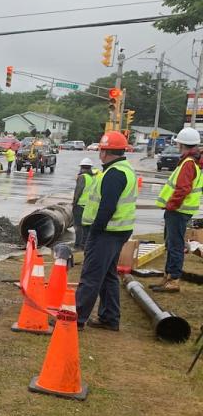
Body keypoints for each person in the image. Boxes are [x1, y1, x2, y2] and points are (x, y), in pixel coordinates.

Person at [75, 131, 138, 331]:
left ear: (104, 152)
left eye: (101, 150)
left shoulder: (114, 173)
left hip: (107, 232)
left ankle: (76, 318)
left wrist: (95, 230)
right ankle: (110, 317)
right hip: (118, 231)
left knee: (91, 275)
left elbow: (107, 207)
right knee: (109, 275)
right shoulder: (123, 169)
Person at [151, 127, 203, 293]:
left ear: (182, 144)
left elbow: (182, 188)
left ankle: (173, 279)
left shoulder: (188, 163)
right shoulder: (193, 161)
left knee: (175, 245)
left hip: (178, 211)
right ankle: (168, 277)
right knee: (172, 243)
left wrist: (171, 205)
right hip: (181, 210)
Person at [72, 157, 100, 249]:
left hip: (80, 205)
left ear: (81, 167)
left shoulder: (82, 177)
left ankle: (78, 245)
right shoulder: (92, 177)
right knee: (86, 226)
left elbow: (78, 192)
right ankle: (85, 244)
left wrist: (74, 203)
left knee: (78, 226)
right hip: (90, 206)